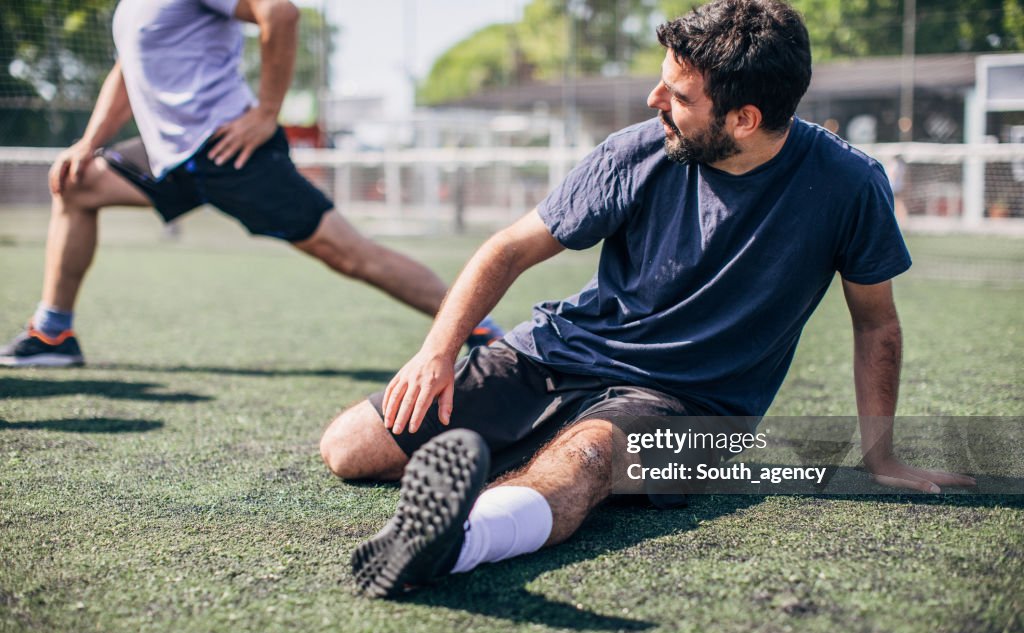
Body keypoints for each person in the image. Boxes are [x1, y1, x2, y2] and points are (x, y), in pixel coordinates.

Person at [320, 0, 977, 598]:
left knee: (583, 464)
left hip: (698, 410)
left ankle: (453, 543)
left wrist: (880, 453)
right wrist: (437, 352)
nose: (653, 97)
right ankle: (519, 461)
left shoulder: (850, 184)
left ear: (743, 119)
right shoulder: (634, 152)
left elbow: (876, 326)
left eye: (679, 93)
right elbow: (509, 248)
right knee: (350, 448)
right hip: (561, 353)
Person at [0, 0, 502, 367]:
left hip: (229, 152)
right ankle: (52, 335)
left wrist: (266, 112)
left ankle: (482, 329)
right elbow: (128, 70)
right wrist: (89, 142)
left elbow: (279, 13)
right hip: (169, 157)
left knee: (352, 255)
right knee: (76, 184)